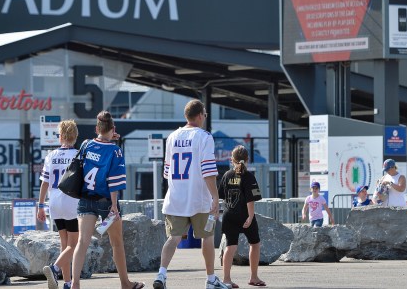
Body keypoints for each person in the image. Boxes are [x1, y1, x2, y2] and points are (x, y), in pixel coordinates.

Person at [153, 99, 229, 289]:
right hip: (199, 197)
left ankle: (161, 275)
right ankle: (211, 279)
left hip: (176, 196)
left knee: (173, 238)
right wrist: (215, 196)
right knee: (207, 236)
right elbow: (208, 171)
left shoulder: (172, 137)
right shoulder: (204, 137)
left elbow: (167, 171)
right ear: (200, 115)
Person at [69, 111, 144, 289]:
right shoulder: (115, 151)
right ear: (113, 128)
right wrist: (114, 207)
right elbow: (114, 181)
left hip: (85, 199)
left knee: (82, 242)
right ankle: (125, 283)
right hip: (106, 201)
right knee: (117, 243)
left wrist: (108, 137)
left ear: (96, 128)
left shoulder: (86, 145)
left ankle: (75, 284)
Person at [39, 120, 80, 289]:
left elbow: (45, 182)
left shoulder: (51, 155)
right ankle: (54, 269)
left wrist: (41, 205)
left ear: (61, 136)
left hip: (54, 201)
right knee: (75, 244)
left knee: (64, 244)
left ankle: (67, 283)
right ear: (75, 136)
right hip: (71, 202)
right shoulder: (78, 155)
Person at [219, 146, 265, 288]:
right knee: (255, 244)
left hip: (229, 215)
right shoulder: (248, 176)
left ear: (231, 159)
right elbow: (250, 199)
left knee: (230, 246)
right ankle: (253, 277)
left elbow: (222, 196)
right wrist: (251, 217)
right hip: (245, 216)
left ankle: (226, 279)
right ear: (247, 159)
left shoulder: (227, 175)